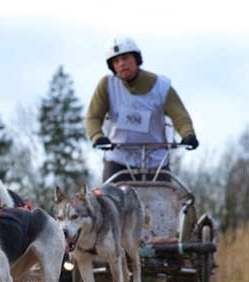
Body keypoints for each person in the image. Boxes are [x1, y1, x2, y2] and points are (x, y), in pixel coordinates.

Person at [85, 36, 199, 182]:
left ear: (136, 58)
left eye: (125, 58)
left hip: (156, 162)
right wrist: (97, 136)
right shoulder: (107, 85)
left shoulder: (161, 86)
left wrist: (188, 134)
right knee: (106, 201)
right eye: (116, 61)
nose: (121, 64)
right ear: (112, 67)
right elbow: (93, 117)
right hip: (118, 161)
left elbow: (180, 116)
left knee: (169, 201)